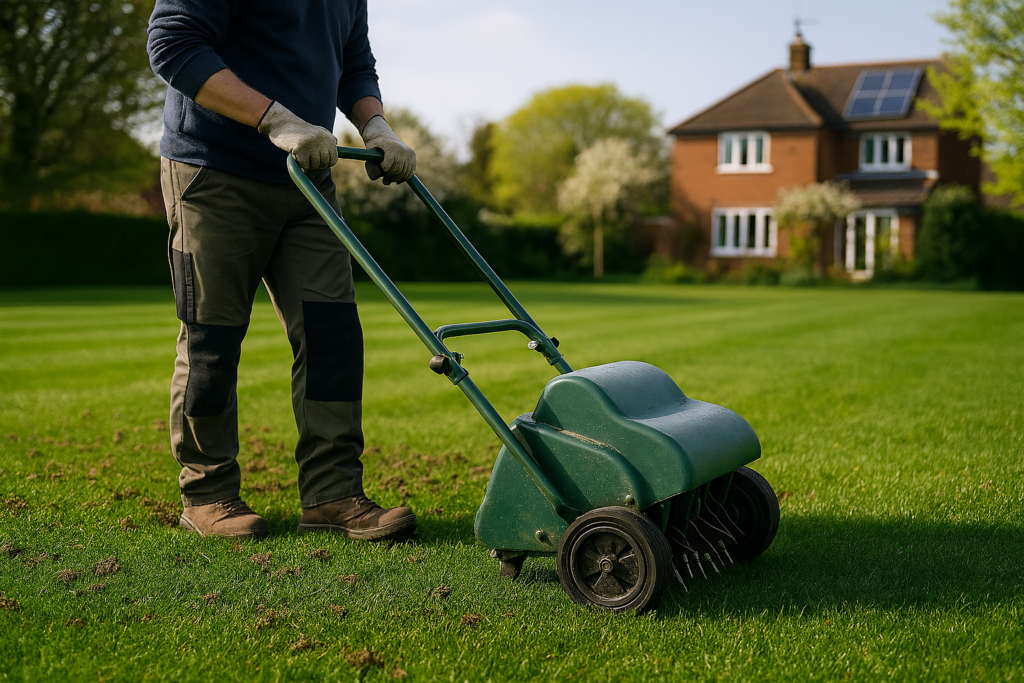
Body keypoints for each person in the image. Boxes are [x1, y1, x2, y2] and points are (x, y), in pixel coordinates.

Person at [147, 0, 416, 541]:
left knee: (332, 334)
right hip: (212, 169)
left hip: (307, 176)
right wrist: (276, 117)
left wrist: (377, 126)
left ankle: (333, 493)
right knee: (211, 339)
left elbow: (354, 61)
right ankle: (208, 493)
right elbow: (172, 43)